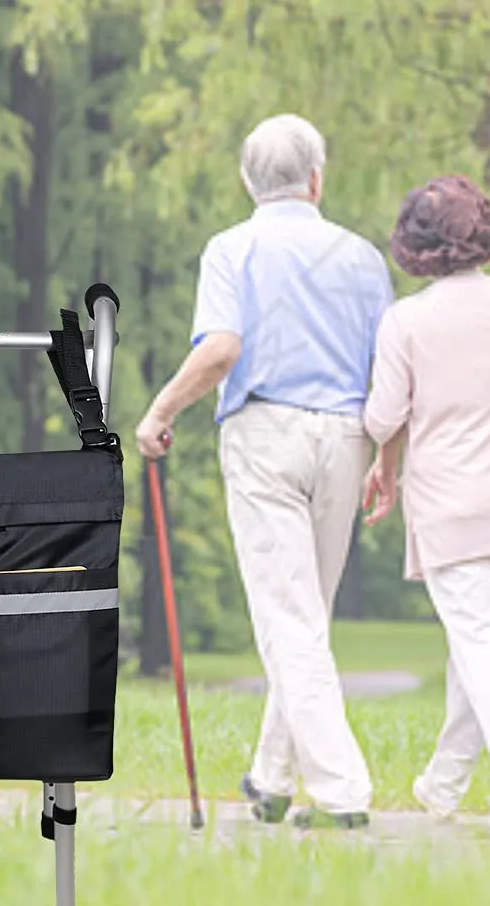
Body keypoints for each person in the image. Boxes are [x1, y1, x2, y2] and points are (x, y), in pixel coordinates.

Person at [135, 113, 394, 829]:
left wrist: (161, 410)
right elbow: (389, 369)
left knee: (290, 619)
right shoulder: (364, 258)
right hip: (347, 439)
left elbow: (222, 348)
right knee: (306, 616)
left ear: (248, 181)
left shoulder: (232, 248)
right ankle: (272, 779)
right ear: (317, 178)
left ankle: (342, 791)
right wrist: (389, 459)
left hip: (265, 434)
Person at [362, 176, 490, 830]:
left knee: (479, 648)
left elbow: (380, 417)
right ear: (481, 233)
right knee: (482, 649)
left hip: (452, 507)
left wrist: (384, 458)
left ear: (415, 244)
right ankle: (444, 784)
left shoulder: (406, 322)